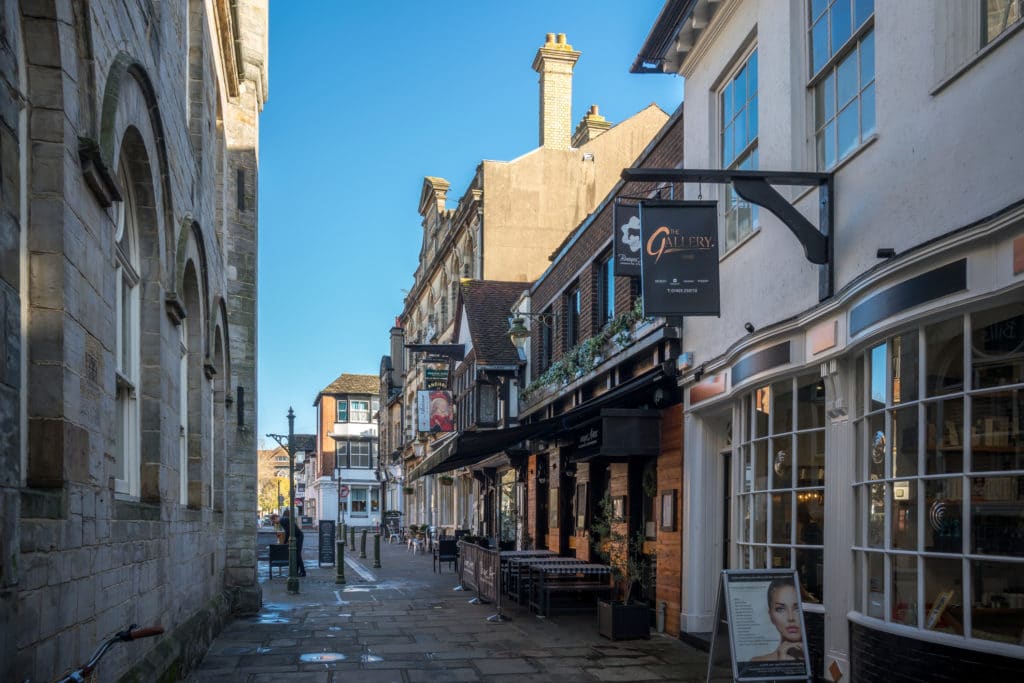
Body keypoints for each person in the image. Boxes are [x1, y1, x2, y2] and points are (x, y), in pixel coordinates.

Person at [751, 577, 804, 662]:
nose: (791, 618)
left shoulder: (821, 661)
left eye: (797, 608)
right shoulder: (757, 662)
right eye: (780, 609)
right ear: (771, 616)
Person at [279, 510, 307, 576]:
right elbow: (288, 531)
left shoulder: (283, 521)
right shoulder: (286, 520)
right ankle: (296, 572)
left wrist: (284, 542)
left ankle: (302, 572)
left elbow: (287, 532)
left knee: (297, 555)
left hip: (298, 537)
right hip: (298, 536)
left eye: (273, 521)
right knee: (297, 555)